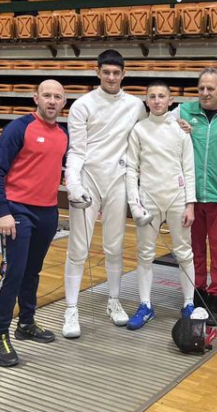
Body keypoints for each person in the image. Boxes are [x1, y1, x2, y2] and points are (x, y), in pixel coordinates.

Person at [62, 50, 147, 338]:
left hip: (118, 180)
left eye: (116, 73)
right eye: (106, 72)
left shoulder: (135, 106)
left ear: (124, 74)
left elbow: (149, 133)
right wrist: (73, 184)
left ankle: (113, 300)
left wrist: (178, 122)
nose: (111, 77)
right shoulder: (82, 105)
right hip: (88, 180)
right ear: (97, 72)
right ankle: (71, 309)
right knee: (78, 248)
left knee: (114, 246)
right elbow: (76, 150)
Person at [0, 80, 68, 367]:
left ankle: (26, 323)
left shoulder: (64, 134)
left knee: (32, 271)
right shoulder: (18, 128)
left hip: (48, 212)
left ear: (64, 102)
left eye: (57, 96)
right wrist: (3, 211)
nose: (52, 101)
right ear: (36, 98)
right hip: (17, 211)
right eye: (47, 95)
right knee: (14, 272)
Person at [124, 80, 197, 330]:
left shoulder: (180, 130)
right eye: (152, 96)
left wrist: (190, 204)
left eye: (161, 96)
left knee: (184, 252)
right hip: (148, 200)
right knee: (145, 254)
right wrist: (135, 204)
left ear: (170, 100)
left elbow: (189, 169)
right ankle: (145, 305)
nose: (157, 101)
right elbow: (131, 169)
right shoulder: (139, 130)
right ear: (147, 101)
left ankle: (188, 303)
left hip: (177, 199)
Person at [171, 68, 217, 325]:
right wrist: (175, 125)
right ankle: (197, 291)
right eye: (201, 88)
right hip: (192, 196)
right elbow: (157, 122)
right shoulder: (183, 111)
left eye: (211, 88)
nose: (205, 93)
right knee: (194, 248)